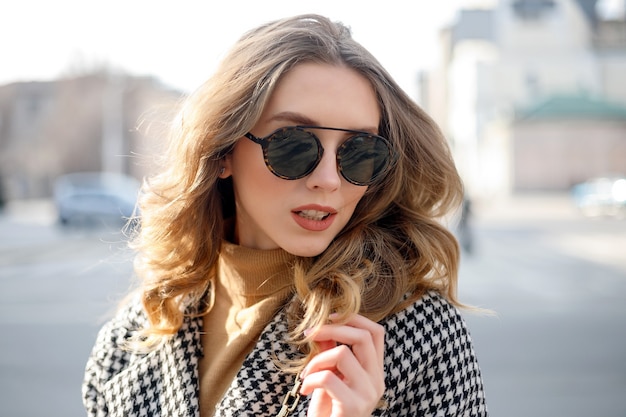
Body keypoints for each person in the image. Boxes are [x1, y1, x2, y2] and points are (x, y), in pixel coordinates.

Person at [82, 14, 488, 417]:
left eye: (360, 153)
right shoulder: (134, 337)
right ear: (223, 152)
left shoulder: (418, 333)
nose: (328, 180)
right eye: (293, 145)